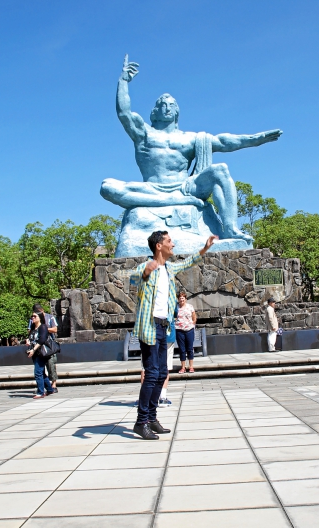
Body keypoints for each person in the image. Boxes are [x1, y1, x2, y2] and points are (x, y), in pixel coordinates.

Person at [100, 56, 282, 243]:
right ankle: (169, 202)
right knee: (107, 187)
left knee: (221, 170)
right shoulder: (144, 133)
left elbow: (223, 141)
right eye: (162, 105)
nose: (167, 108)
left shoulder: (190, 138)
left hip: (185, 188)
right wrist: (123, 81)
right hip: (151, 188)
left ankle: (230, 228)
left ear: (177, 111)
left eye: (171, 105)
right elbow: (124, 113)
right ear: (155, 111)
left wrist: (254, 139)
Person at [130, 230, 217, 440]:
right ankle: (141, 422)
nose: (173, 244)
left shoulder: (169, 269)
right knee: (151, 374)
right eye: (170, 241)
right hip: (149, 328)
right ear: (159, 246)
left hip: (164, 327)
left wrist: (206, 247)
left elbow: (189, 262)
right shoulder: (146, 267)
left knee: (161, 374)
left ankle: (151, 418)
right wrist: (146, 272)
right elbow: (133, 279)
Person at [31, 304, 59, 394]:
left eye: (38, 312)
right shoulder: (33, 319)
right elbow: (30, 330)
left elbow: (55, 330)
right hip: (38, 348)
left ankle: (53, 385)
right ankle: (46, 387)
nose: (34, 316)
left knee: (51, 365)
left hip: (48, 346)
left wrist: (44, 330)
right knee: (40, 369)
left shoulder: (50, 317)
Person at [26, 311, 52, 399]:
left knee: (37, 372)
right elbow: (31, 339)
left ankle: (40, 392)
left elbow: (42, 340)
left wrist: (33, 349)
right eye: (32, 316)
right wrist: (28, 341)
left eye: (34, 316)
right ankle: (49, 389)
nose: (32, 318)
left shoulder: (43, 327)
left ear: (40, 317)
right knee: (41, 372)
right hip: (35, 353)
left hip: (41, 352)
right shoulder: (33, 328)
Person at [175, 292, 197, 373]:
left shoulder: (190, 307)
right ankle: (183, 367)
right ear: (178, 299)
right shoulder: (176, 307)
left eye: (183, 298)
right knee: (182, 349)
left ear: (185, 299)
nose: (181, 300)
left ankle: (191, 367)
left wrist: (193, 324)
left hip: (189, 330)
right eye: (180, 298)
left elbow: (194, 316)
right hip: (179, 330)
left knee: (190, 348)